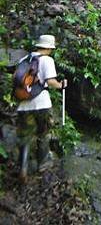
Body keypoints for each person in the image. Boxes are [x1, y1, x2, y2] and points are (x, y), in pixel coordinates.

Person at [16, 34, 67, 182]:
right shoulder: (47, 60)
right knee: (43, 132)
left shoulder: (23, 60)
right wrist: (61, 85)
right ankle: (43, 163)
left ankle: (22, 169)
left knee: (24, 137)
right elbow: (50, 81)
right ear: (50, 48)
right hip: (42, 104)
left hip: (23, 105)